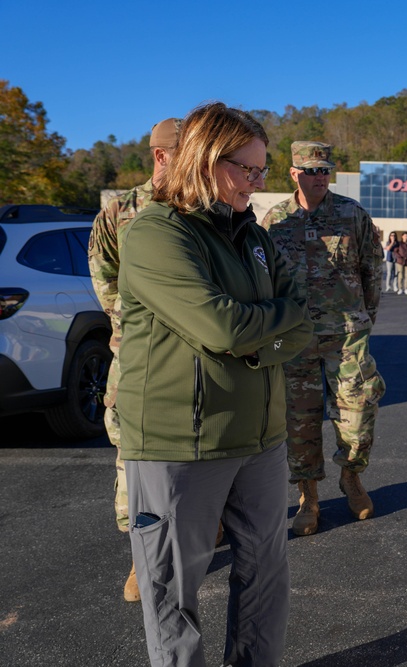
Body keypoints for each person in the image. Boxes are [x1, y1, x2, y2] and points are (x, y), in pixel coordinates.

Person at [117, 103, 313, 666]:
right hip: (182, 444)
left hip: (260, 439)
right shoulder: (157, 234)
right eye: (247, 169)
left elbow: (301, 318)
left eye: (262, 170)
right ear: (205, 159)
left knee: (264, 580)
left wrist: (254, 342)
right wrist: (257, 334)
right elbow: (221, 325)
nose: (258, 183)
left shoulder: (253, 235)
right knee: (172, 595)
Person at [262, 141, 385, 533]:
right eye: (311, 170)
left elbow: (372, 266)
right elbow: (262, 279)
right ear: (294, 173)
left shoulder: (351, 214)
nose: (319, 177)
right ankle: (308, 496)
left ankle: (352, 476)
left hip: (346, 335)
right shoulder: (274, 221)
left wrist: (365, 316)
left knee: (358, 412)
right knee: (300, 420)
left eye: (325, 170)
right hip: (295, 338)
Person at [88, 117, 180, 603]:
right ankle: (141, 559)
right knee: (133, 456)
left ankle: (205, 530)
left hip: (191, 357)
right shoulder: (119, 210)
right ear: (161, 155)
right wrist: (138, 319)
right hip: (138, 354)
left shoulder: (197, 208)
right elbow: (103, 276)